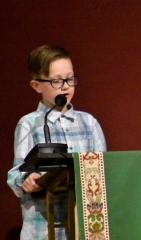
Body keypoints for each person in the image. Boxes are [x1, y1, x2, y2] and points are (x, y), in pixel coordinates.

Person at [7, 45, 107, 239]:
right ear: (36, 85)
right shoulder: (30, 124)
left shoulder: (89, 123)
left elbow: (103, 170)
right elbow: (15, 174)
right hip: (42, 231)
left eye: (70, 79)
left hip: (82, 229)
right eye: (56, 81)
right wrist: (27, 179)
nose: (66, 86)